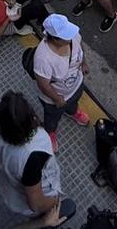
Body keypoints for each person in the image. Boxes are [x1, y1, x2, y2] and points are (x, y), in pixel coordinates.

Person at [0, 90, 77, 224]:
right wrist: (55, 203)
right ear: (31, 119)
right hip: (34, 195)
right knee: (41, 214)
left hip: (9, 187)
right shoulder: (34, 154)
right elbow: (36, 204)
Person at [32, 14, 92, 150]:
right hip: (56, 98)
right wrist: (57, 99)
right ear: (55, 38)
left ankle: (73, 111)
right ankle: (50, 131)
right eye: (66, 35)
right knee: (52, 116)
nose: (71, 36)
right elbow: (43, 85)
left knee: (73, 102)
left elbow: (80, 48)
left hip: (76, 85)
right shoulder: (43, 58)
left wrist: (84, 63)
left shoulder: (73, 36)